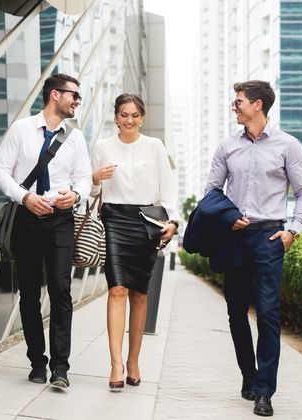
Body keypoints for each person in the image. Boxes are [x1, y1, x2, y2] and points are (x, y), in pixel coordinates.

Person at [205, 80, 302, 417]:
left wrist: (292, 231)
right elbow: (212, 191)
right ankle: (248, 377)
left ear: (257, 105)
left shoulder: (288, 145)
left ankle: (265, 391)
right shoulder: (227, 146)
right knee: (236, 312)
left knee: (267, 314)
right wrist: (227, 219)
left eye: (238, 102)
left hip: (269, 238)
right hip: (234, 238)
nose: (233, 107)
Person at [0, 73, 91, 389]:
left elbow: (84, 179)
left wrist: (75, 196)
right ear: (54, 95)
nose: (77, 101)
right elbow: (0, 172)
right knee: (29, 293)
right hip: (26, 217)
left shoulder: (75, 138)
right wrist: (26, 197)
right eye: (73, 95)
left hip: (61, 221)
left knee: (62, 290)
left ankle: (60, 367)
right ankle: (38, 360)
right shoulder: (21, 130)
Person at [90, 93, 178, 392]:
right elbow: (90, 192)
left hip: (146, 221)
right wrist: (95, 177)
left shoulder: (154, 147)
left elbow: (168, 189)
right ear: (115, 116)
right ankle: (115, 364)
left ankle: (134, 361)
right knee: (117, 289)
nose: (129, 120)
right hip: (115, 219)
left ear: (142, 117)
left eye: (135, 115)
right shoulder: (102, 147)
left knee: (139, 294)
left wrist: (173, 222)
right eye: (124, 114)